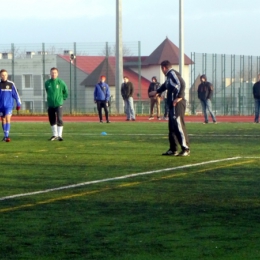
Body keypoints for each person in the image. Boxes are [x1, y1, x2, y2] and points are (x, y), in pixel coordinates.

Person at [149, 60, 190, 156]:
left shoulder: (172, 74)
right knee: (172, 127)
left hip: (178, 104)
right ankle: (173, 149)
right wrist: (157, 91)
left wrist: (179, 97)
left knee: (178, 125)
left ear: (164, 68)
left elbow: (181, 83)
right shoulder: (168, 77)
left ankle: (185, 148)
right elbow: (165, 85)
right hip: (172, 104)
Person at [45, 67, 68, 141]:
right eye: (52, 72)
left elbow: (66, 92)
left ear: (57, 74)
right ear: (50, 73)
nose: (53, 74)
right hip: (50, 104)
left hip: (58, 104)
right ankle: (54, 135)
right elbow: (47, 91)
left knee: (59, 119)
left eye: (55, 73)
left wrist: (62, 99)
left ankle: (60, 135)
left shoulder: (61, 82)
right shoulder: (47, 83)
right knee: (52, 119)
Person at [0, 69, 21, 142]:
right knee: (3, 119)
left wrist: (18, 103)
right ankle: (5, 136)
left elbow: (16, 95)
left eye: (5, 75)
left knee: (7, 118)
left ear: (7, 75)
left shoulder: (11, 84)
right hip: (1, 106)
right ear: (0, 76)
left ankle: (7, 136)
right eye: (2, 75)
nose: (4, 76)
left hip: (9, 105)